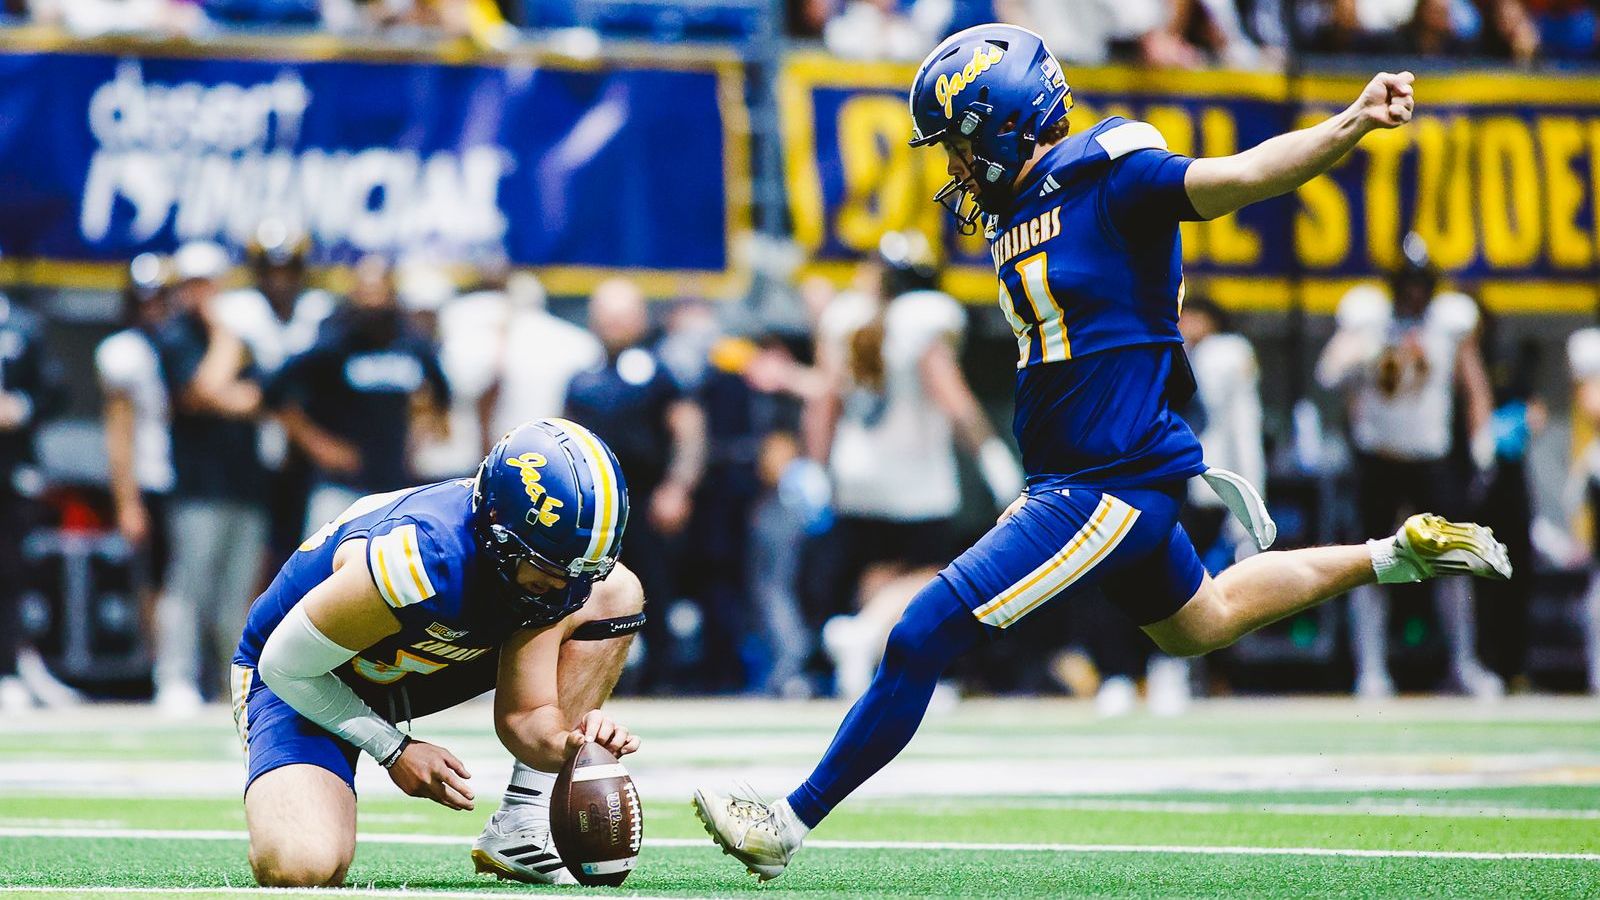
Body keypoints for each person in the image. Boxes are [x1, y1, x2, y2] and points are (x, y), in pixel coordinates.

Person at [692, 24, 1511, 881]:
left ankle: (787, 821)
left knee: (919, 633)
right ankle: (1396, 554)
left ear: (1008, 123)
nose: (957, 171)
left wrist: (1349, 121)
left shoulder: (1116, 176)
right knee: (1203, 622)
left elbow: (1242, 175)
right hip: (1107, 473)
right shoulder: (1025, 202)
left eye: (963, 147)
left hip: (1099, 484)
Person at [231, 418, 643, 887]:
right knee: (300, 866)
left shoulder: (555, 570)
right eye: (549, 568)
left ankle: (524, 821)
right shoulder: (421, 559)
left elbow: (526, 717)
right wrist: (393, 749)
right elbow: (285, 666)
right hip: (307, 676)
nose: (564, 588)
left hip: (418, 663)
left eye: (582, 569)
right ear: (497, 532)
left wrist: (571, 746)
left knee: (615, 591)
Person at [811, 231, 1022, 698]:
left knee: (880, 572)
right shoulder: (925, 320)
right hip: (913, 473)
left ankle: (871, 668)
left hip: (855, 467)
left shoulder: (844, 317)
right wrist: (991, 453)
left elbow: (825, 400)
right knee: (933, 570)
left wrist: (816, 464)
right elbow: (952, 397)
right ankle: (865, 636)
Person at [1316, 235, 1500, 699]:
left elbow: (1473, 385)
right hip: (1378, 455)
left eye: (1422, 283)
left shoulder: (1449, 321)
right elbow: (1328, 373)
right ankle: (1372, 668)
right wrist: (1353, 355)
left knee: (1454, 560)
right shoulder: (1369, 316)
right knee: (1370, 560)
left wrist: (1482, 446)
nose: (1415, 293)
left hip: (1430, 456)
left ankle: (1463, 662)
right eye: (1408, 283)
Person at [564, 278, 706, 691]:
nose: (612, 323)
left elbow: (688, 431)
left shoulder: (661, 371)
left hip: (644, 500)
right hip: (594, 509)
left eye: (621, 313)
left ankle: (663, 680)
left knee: (654, 590)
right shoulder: (584, 377)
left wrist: (678, 486)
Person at [150, 240, 270, 714]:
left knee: (237, 593)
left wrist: (224, 388)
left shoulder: (243, 339)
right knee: (189, 585)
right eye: (193, 285)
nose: (201, 294)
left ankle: (231, 681)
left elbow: (257, 400)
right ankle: (175, 677)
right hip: (197, 485)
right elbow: (201, 392)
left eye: (207, 284)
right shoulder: (176, 337)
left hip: (244, 482)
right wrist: (222, 338)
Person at [272, 255, 450, 535]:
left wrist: (421, 434)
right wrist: (318, 444)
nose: (372, 302)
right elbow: (275, 392)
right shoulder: (336, 342)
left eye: (379, 291)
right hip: (339, 486)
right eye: (365, 292)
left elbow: (442, 393)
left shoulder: (409, 342)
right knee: (323, 570)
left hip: (393, 488)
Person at [97, 254, 176, 665]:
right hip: (153, 474)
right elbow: (119, 430)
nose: (153, 308)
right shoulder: (124, 351)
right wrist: (127, 500)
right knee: (156, 580)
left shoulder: (182, 341)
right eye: (144, 299)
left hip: (196, 477)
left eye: (159, 298)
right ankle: (162, 666)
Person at [0, 288, 67, 712]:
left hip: (10, 469)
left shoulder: (22, 326)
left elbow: (56, 391)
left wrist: (19, 408)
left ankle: (10, 665)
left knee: (11, 572)